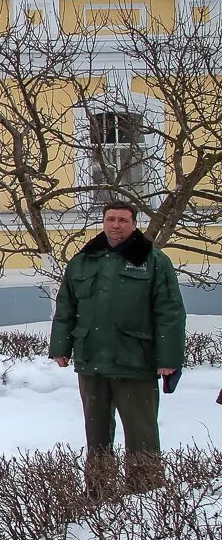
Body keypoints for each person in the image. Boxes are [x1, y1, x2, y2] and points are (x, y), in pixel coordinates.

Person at [49, 201, 185, 495]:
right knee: (96, 432)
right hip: (92, 359)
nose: (115, 225)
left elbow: (170, 312)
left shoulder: (153, 261)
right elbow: (66, 306)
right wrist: (61, 346)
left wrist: (169, 359)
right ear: (103, 222)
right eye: (110, 219)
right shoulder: (84, 261)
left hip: (134, 359)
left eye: (123, 220)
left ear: (134, 224)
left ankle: (145, 492)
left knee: (141, 431)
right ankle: (98, 491)